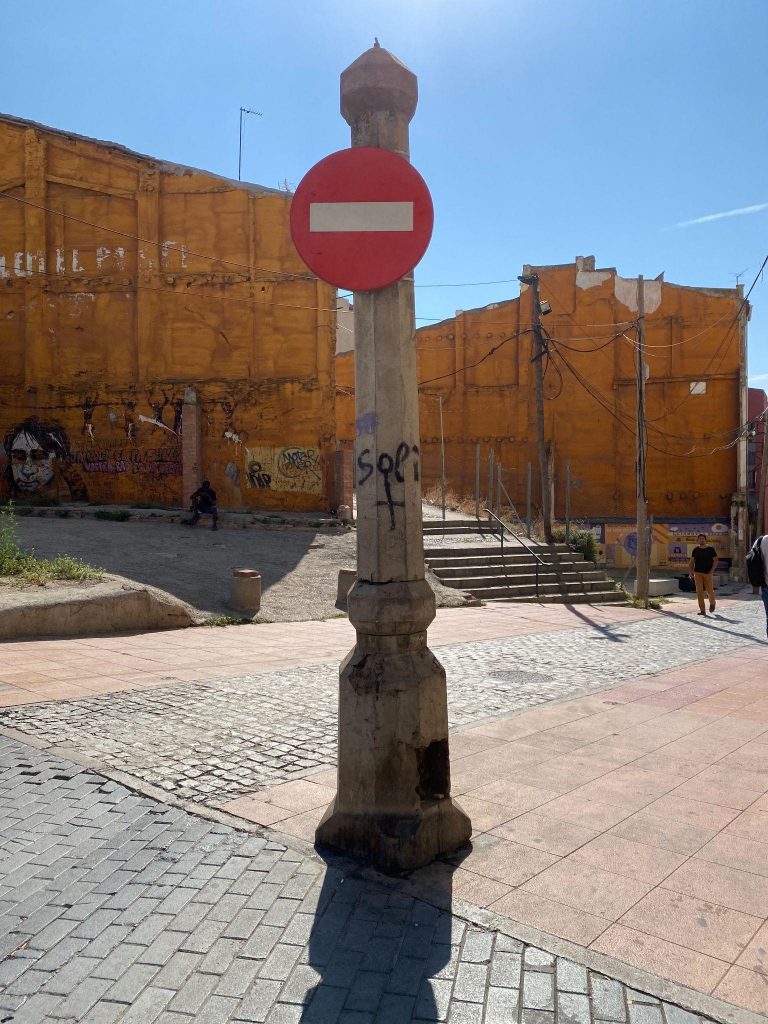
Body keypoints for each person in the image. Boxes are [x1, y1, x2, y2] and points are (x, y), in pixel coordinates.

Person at [689, 533, 718, 616]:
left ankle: (712, 603)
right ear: (697, 540)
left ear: (705, 540)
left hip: (708, 573)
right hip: (697, 573)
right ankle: (702, 610)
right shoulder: (695, 550)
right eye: (700, 539)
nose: (701, 540)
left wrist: (712, 570)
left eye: (703, 539)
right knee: (699, 592)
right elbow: (692, 561)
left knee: (709, 591)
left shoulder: (711, 549)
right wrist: (690, 572)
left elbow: (715, 560)